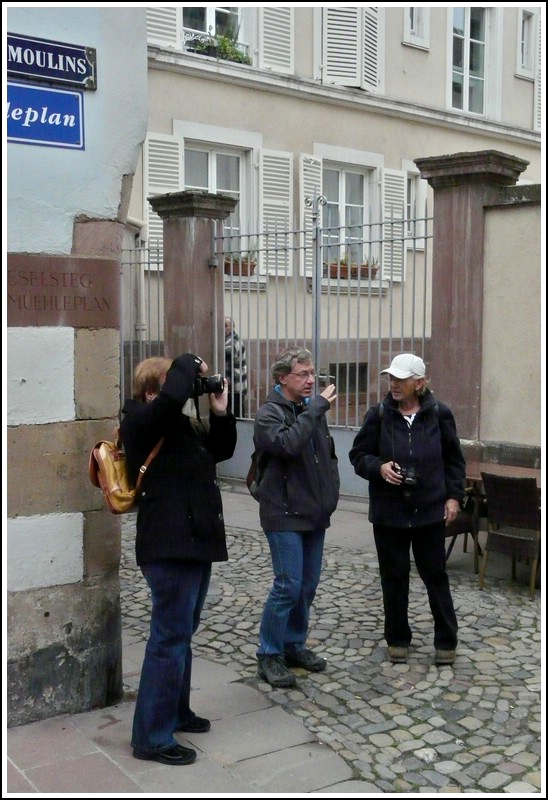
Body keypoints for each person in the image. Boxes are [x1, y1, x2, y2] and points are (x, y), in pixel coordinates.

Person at [120, 353, 237, 766]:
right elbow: (170, 402)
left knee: (182, 633)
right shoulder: (139, 420)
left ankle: (176, 711)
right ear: (154, 390)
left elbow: (220, 450)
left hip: (194, 541)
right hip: (168, 545)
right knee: (169, 638)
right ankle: (151, 735)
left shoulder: (179, 425)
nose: (185, 392)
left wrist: (220, 413)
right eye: (178, 384)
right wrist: (189, 362)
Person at [349, 353, 466, 667]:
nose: (394, 384)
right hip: (390, 513)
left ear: (420, 382)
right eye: (391, 378)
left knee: (435, 577)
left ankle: (446, 640)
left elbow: (454, 461)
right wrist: (379, 467)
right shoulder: (379, 415)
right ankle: (398, 639)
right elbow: (358, 455)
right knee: (394, 578)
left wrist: (453, 497)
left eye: (401, 379)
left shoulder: (440, 414)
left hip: (429, 512)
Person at [253, 346, 340, 688]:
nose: (310, 380)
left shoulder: (310, 411)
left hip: (314, 512)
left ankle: (293, 644)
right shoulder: (268, 414)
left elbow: (326, 457)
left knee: (306, 586)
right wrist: (316, 409)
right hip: (283, 513)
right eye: (303, 374)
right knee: (287, 585)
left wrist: (330, 494)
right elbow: (288, 445)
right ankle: (269, 653)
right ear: (282, 378)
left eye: (312, 374)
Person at [224, 316, 248, 416]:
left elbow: (225, 353)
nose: (223, 329)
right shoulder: (227, 340)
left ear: (232, 327)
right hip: (231, 387)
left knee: (237, 416)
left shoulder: (233, 341)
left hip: (235, 387)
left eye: (226, 326)